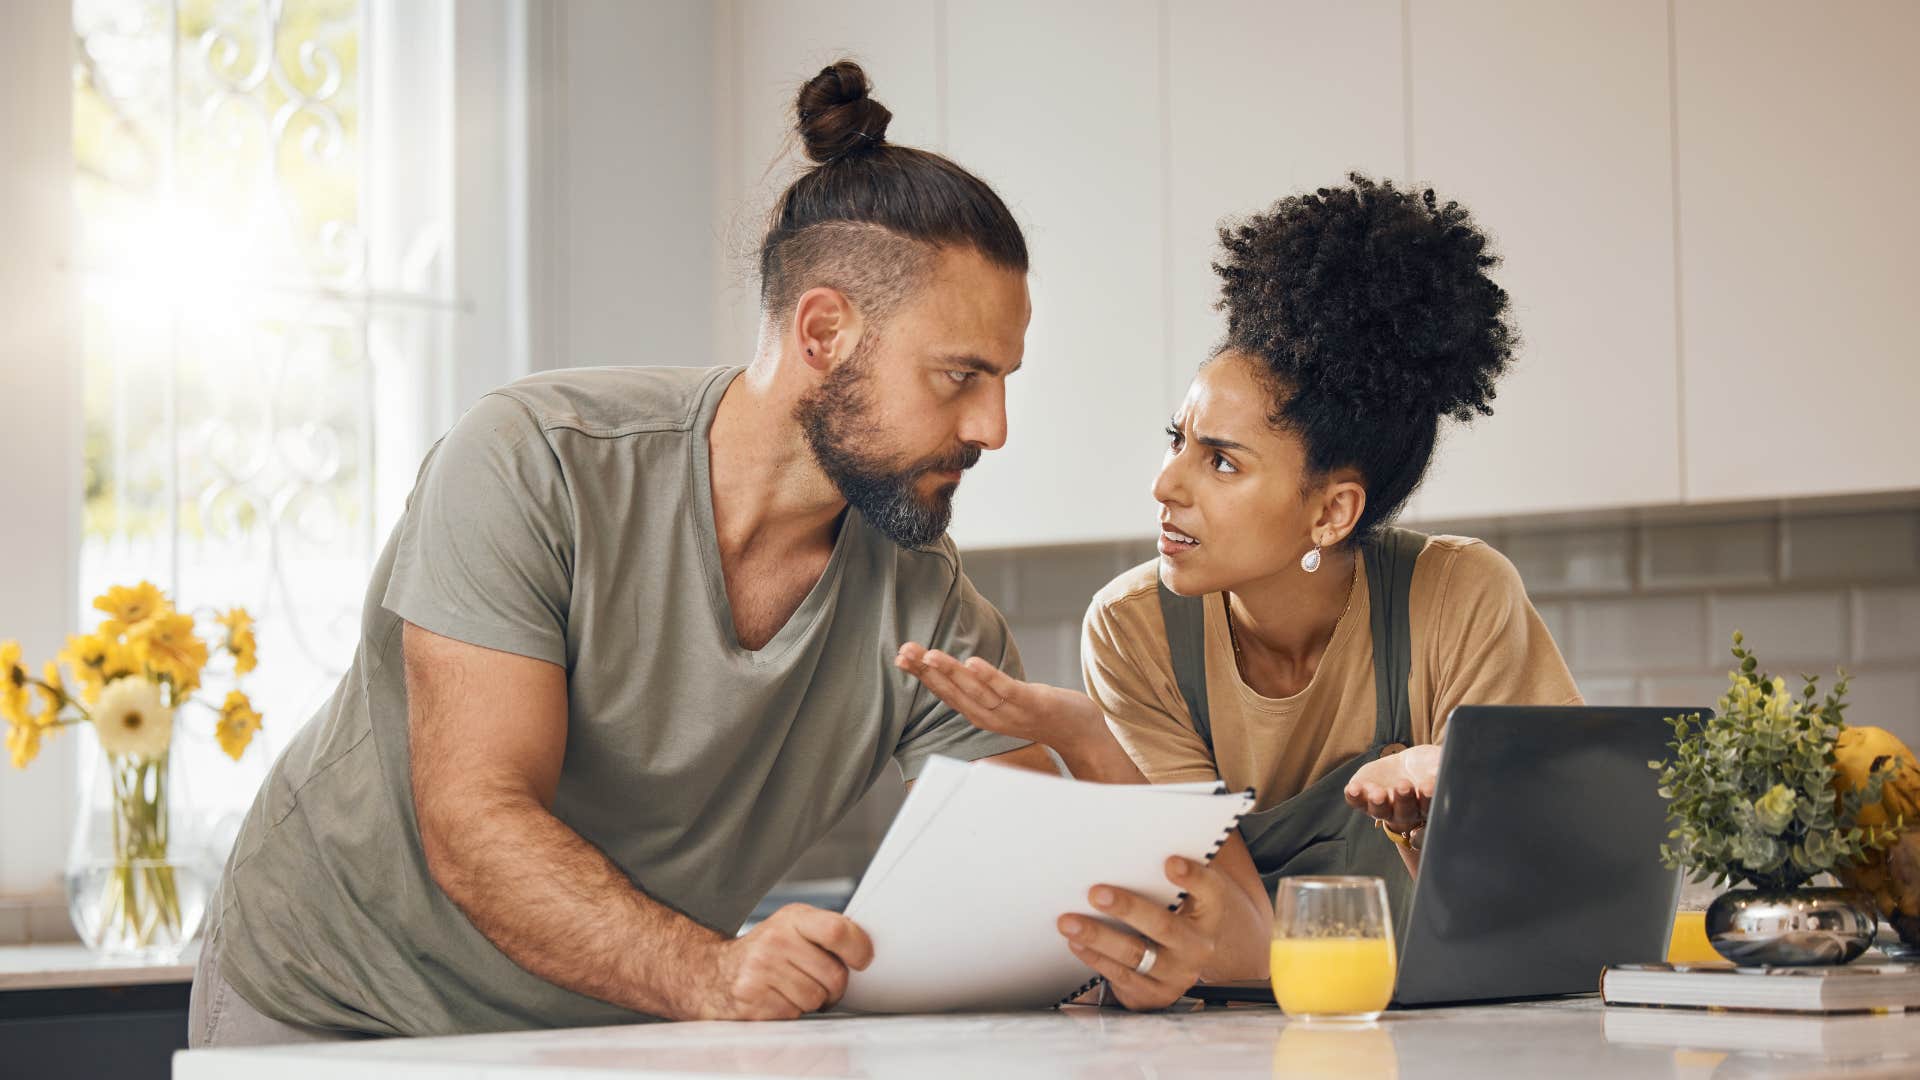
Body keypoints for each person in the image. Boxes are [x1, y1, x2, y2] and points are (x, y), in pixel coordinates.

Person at [187, 60, 1223, 1044]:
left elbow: (1037, 885)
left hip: (600, 1031)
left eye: (1003, 380)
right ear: (824, 334)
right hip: (334, 1003)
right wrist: (711, 973)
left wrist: (1114, 938)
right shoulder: (534, 463)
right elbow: (475, 824)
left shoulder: (930, 610)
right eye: (960, 377)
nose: (993, 427)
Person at [897, 174, 1582, 1010]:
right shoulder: (1135, 630)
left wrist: (1455, 784)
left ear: (1332, 512)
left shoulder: (1458, 596)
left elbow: (1561, 898)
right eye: (1177, 440)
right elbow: (1238, 930)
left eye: (1221, 461)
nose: (1165, 484)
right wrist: (1086, 736)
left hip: (1463, 1035)